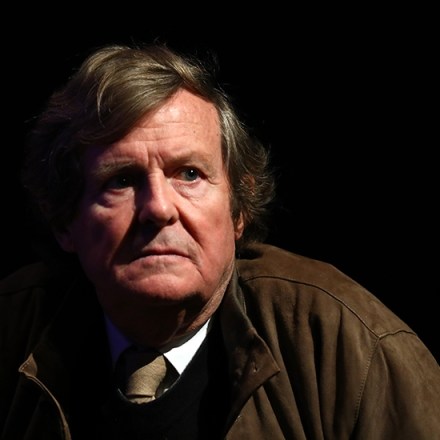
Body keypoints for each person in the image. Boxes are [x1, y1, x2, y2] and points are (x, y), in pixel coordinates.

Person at [0, 42, 439, 440]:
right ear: (65, 222)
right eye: (122, 180)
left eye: (189, 174)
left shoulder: (347, 343)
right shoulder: (12, 325)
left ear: (238, 209)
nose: (159, 208)